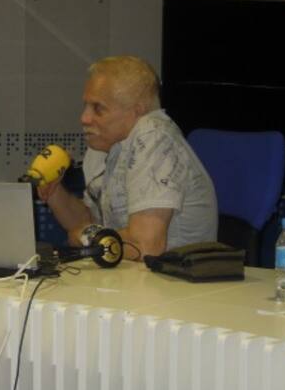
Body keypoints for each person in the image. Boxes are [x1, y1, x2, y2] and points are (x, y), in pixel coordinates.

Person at [39, 55, 217, 260]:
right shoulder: (103, 146)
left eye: (98, 108)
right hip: (131, 273)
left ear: (136, 111)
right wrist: (54, 192)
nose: (84, 118)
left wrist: (86, 236)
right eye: (85, 106)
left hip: (175, 275)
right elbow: (89, 222)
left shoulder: (154, 137)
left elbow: (145, 246)